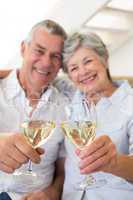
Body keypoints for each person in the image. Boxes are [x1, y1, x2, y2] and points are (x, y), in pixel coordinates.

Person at [0, 19, 68, 200]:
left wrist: (52, 193)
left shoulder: (66, 106)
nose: (46, 63)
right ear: (23, 48)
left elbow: (64, 169)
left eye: (55, 56)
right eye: (39, 51)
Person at [62, 32, 133, 200]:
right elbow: (38, 74)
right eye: (74, 68)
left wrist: (113, 162)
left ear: (105, 58)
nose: (83, 72)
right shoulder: (69, 97)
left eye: (88, 61)